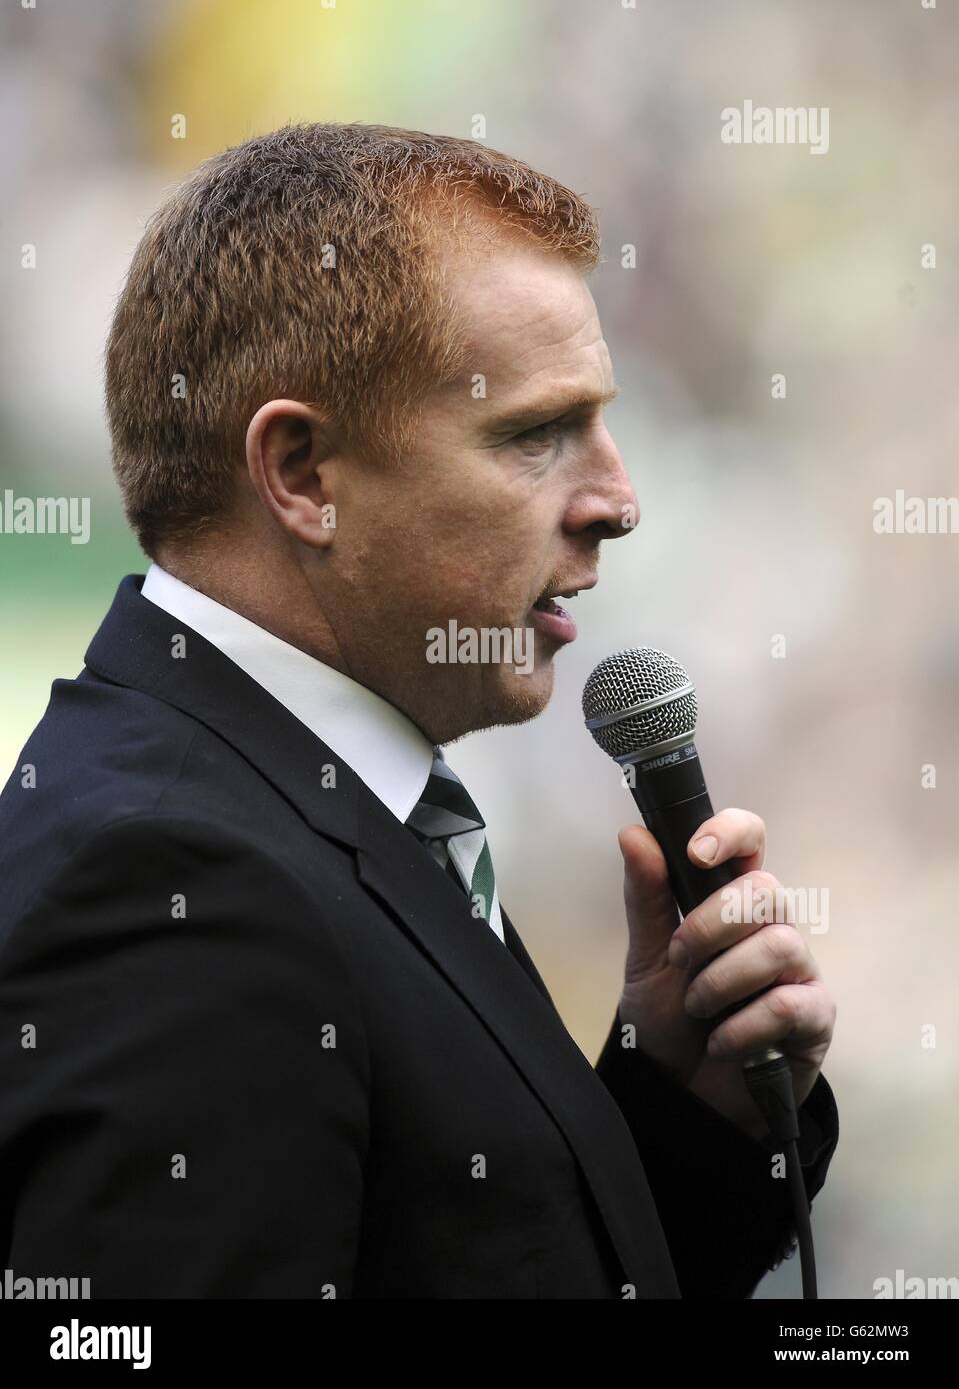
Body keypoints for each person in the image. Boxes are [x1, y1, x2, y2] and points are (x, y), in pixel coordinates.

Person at [0, 123, 838, 1298]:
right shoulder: (171, 879)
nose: (617, 501)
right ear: (300, 474)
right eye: (536, 433)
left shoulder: (321, 803)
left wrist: (677, 1106)